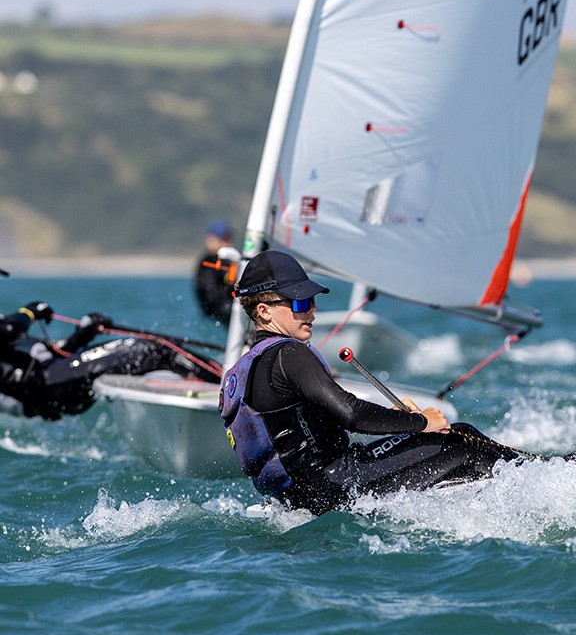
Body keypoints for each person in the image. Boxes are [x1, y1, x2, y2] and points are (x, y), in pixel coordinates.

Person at [219, 250, 521, 515]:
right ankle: (547, 475)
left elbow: (320, 418)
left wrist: (401, 419)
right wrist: (419, 422)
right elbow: (352, 413)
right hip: (337, 485)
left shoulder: (241, 370)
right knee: (462, 439)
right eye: (299, 303)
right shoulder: (290, 354)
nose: (311, 310)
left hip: (294, 499)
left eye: (310, 300)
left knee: (440, 444)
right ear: (264, 311)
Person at [0, 301, 221, 420]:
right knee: (152, 350)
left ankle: (227, 384)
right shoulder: (8, 325)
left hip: (55, 377)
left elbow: (50, 354)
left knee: (154, 350)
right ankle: (231, 389)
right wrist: (29, 312)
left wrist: (83, 333)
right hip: (49, 384)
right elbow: (9, 329)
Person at [193, 219, 239, 322]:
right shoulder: (209, 262)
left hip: (221, 313)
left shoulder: (225, 261)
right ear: (210, 240)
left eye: (229, 238)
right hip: (219, 314)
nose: (229, 243)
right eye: (224, 239)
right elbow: (228, 280)